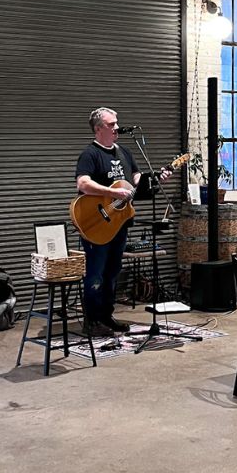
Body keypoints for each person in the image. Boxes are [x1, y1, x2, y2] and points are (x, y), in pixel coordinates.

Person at [74, 107, 168, 335]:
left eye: (116, 123)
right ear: (98, 129)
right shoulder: (90, 154)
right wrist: (113, 193)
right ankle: (91, 321)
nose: (116, 128)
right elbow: (83, 184)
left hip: (118, 223)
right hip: (97, 223)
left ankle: (106, 316)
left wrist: (155, 176)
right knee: (95, 273)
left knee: (113, 271)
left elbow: (136, 179)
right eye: (111, 124)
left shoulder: (124, 152)